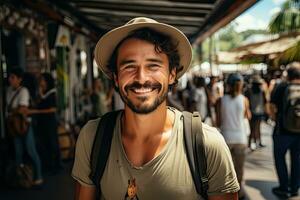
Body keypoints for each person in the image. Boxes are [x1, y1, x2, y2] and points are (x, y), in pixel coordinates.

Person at [72, 17, 239, 200]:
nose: (141, 78)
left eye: (153, 66)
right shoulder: (93, 137)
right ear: (116, 78)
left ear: (172, 74)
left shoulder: (208, 144)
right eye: (129, 66)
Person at [215, 73, 251, 199]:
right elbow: (247, 117)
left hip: (225, 138)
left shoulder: (220, 101)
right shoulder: (244, 100)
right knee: (239, 169)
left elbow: (218, 122)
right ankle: (239, 194)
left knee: (226, 171)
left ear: (228, 85)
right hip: (241, 138)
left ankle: (227, 195)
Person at [6, 67, 43, 186]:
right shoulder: (8, 91)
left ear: (19, 79)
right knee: (18, 153)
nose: (10, 80)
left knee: (31, 150)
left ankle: (39, 176)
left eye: (13, 77)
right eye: (10, 77)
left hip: (24, 125)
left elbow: (22, 109)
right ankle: (21, 178)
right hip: (13, 126)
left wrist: (14, 111)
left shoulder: (24, 91)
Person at [270, 62, 300, 198]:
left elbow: (272, 107)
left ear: (288, 74)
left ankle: (284, 187)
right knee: (297, 159)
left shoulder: (282, 87)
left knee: (280, 158)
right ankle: (294, 188)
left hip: (282, 131)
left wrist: (276, 120)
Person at [27, 73, 62, 174]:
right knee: (45, 143)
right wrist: (40, 93)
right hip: (42, 123)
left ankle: (55, 166)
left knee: (52, 143)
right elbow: (36, 104)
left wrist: (35, 112)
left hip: (50, 122)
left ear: (47, 81)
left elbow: (52, 109)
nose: (40, 82)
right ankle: (49, 165)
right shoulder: (43, 93)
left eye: (42, 80)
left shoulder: (52, 93)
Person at [245, 75, 268, 150]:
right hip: (259, 112)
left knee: (252, 128)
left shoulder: (248, 91)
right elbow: (265, 101)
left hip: (252, 112)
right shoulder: (262, 91)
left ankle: (251, 143)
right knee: (257, 127)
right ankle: (257, 142)